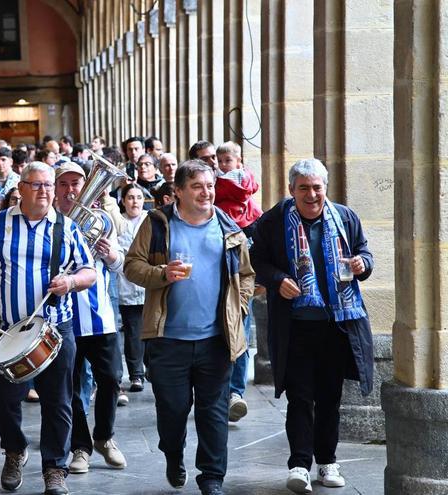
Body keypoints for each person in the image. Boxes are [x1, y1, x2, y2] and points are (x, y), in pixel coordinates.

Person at [124, 160, 255, 495]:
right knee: (173, 409)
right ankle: (173, 453)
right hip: (168, 339)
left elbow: (246, 275)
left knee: (214, 412)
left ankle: (212, 477)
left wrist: (238, 308)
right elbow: (132, 265)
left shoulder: (228, 227)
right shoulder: (158, 223)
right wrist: (162, 273)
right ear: (179, 191)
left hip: (216, 339)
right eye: (197, 186)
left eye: (209, 186)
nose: (205, 192)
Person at [0, 161, 97, 495]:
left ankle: (55, 468)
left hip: (56, 330)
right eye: (37, 185)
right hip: (9, 330)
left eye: (49, 185)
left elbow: (89, 271)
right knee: (3, 399)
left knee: (58, 401)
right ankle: (15, 450)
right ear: (21, 188)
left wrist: (71, 282)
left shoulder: (66, 227)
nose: (45, 191)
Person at [250, 159, 374, 494]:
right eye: (303, 187)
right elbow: (257, 260)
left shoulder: (345, 217)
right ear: (291, 189)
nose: (311, 194)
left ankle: (327, 462)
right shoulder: (273, 221)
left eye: (317, 187)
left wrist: (362, 263)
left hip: (337, 324)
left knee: (330, 398)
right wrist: (278, 279)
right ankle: (300, 465)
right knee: (300, 398)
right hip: (296, 326)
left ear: (325, 188)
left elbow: (365, 253)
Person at [53, 163, 128, 475]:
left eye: (76, 184)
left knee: (111, 378)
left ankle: (104, 437)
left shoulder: (101, 220)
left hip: (100, 316)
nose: (70, 190)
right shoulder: (48, 221)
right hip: (62, 318)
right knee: (70, 387)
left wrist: (110, 254)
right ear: (55, 188)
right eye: (64, 184)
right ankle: (80, 447)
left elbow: (120, 265)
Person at [213, 141, 264, 423]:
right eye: (219, 161)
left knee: (241, 331)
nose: (223, 166)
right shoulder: (215, 187)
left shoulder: (241, 180)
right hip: (218, 270)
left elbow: (245, 192)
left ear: (239, 161)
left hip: (241, 275)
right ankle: (220, 391)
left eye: (227, 160)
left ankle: (234, 392)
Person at [115, 184, 148, 392]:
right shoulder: (118, 222)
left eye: (138, 197)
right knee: (133, 332)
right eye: (130, 197)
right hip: (126, 285)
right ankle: (136, 374)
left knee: (152, 332)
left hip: (150, 284)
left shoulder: (151, 220)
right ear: (123, 201)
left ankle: (152, 368)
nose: (135, 202)